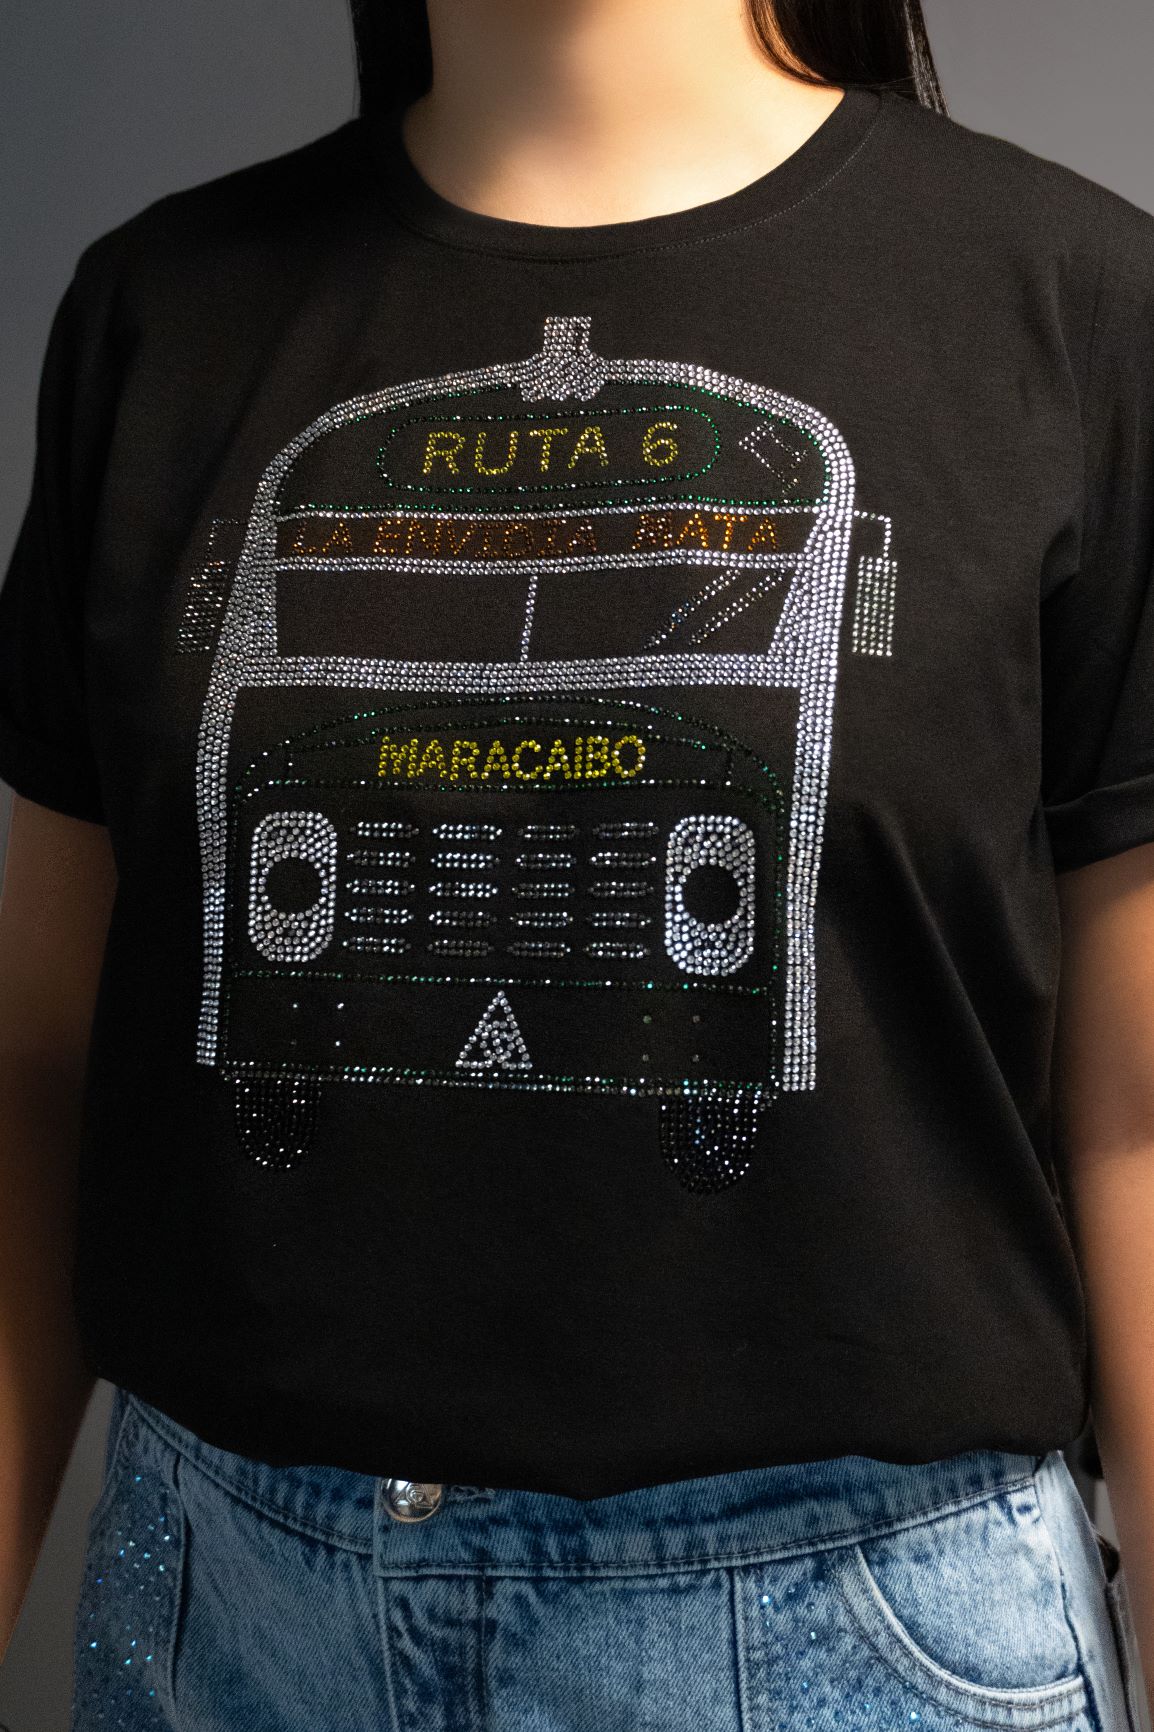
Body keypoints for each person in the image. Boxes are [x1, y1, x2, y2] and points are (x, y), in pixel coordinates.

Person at [1, 0, 1153, 1722]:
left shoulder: (1068, 300)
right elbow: (42, 1059)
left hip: (862, 1636)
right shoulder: (163, 311)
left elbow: (1137, 1115)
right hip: (227, 1616)